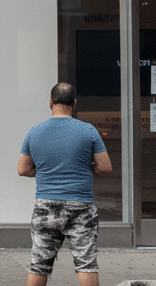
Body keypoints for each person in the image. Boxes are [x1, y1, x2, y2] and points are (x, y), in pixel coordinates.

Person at [17, 83, 113, 286]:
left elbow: (22, 169)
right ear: (74, 104)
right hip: (80, 206)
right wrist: (87, 168)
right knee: (86, 264)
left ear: (51, 103)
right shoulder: (88, 131)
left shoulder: (34, 132)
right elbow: (105, 167)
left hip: (45, 206)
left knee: (39, 264)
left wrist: (44, 171)